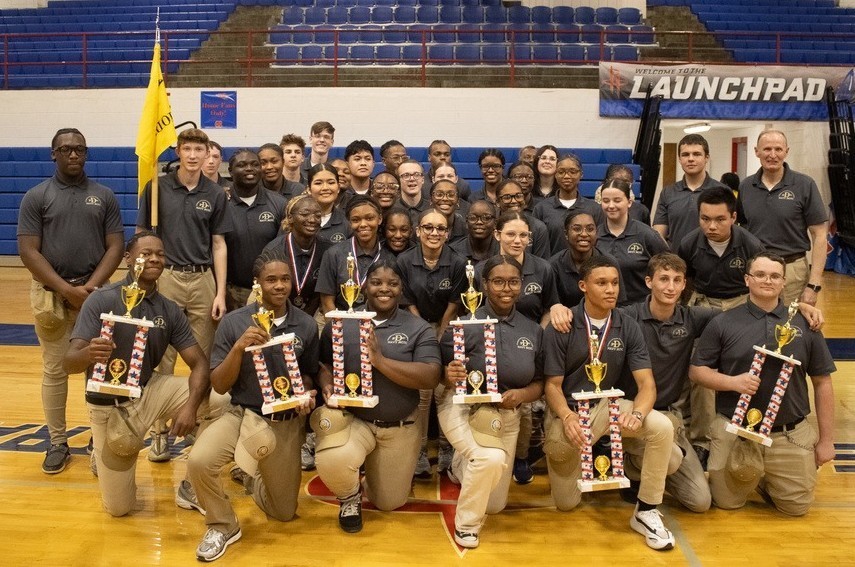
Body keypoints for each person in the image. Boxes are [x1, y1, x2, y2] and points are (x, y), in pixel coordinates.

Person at [63, 232, 210, 516]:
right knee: (119, 509)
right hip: (107, 405)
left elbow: (200, 364)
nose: (154, 258)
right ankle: (102, 452)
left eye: (160, 254)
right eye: (145, 253)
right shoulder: (100, 300)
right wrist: (88, 354)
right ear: (128, 259)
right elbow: (68, 363)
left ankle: (191, 487)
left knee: (219, 400)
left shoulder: (168, 310)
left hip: (148, 390)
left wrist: (190, 407)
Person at [187, 249, 319, 562]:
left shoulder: (305, 325)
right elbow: (219, 384)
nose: (279, 286)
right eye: (271, 279)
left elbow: (311, 375)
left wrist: (306, 395)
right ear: (257, 283)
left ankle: (252, 475)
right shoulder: (234, 324)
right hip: (243, 413)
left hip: (284, 420)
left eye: (285, 279)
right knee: (199, 461)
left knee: (283, 513)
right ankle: (222, 524)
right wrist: (238, 349)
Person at [542, 255, 677, 551]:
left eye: (614, 283)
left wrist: (639, 414)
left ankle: (646, 510)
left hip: (611, 408)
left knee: (662, 428)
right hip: (572, 414)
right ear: (583, 286)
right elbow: (551, 386)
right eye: (601, 283)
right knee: (566, 503)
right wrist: (566, 417)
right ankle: (592, 454)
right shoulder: (562, 325)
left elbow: (647, 385)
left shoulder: (628, 325)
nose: (611, 289)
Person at [689, 252, 836, 516]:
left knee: (796, 509)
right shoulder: (723, 322)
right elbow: (697, 372)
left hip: (789, 433)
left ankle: (767, 477)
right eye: (760, 274)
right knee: (726, 503)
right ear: (747, 280)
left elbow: (823, 382)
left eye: (774, 276)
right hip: (735, 428)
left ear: (783, 282)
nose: (767, 280)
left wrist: (826, 441)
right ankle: (754, 475)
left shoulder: (805, 324)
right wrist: (732, 382)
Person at [17, 127, 125, 473]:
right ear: (54, 154)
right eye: (66, 149)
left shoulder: (104, 195)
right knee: (56, 368)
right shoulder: (37, 196)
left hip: (96, 296)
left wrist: (90, 291)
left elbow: (116, 246)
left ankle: (98, 438)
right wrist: (66, 290)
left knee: (96, 368)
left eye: (79, 149)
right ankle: (58, 442)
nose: (73, 155)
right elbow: (28, 251)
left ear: (87, 153)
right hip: (51, 297)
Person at [314, 260, 441, 533]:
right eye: (377, 282)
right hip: (355, 420)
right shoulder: (341, 322)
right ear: (363, 287)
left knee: (388, 502)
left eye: (393, 284)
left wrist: (380, 361)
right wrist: (326, 384)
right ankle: (349, 495)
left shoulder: (417, 327)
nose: (385, 289)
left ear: (401, 289)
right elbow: (323, 364)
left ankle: (375, 471)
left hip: (399, 426)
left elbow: (431, 376)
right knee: (332, 458)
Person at [136, 127, 231, 460]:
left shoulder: (216, 193)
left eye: (199, 150)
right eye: (187, 149)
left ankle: (198, 427)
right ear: (177, 151)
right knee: (161, 358)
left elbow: (218, 244)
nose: (193, 155)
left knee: (202, 359)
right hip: (166, 278)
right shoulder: (157, 189)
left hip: (202, 279)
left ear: (208, 154)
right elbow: (141, 237)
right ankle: (159, 433)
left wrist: (220, 292)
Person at [438, 254, 544, 548]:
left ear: (522, 285)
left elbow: (540, 384)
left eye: (513, 281)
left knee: (495, 503)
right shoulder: (462, 324)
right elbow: (440, 374)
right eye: (498, 281)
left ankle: (459, 467)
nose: (506, 288)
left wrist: (522, 395)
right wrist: (450, 375)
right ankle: (468, 525)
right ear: (484, 284)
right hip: (461, 408)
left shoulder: (532, 330)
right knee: (490, 459)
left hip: (507, 416)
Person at [618, 254, 716, 513]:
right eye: (663, 279)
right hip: (630, 414)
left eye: (677, 280)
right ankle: (629, 465)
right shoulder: (627, 317)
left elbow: (740, 317)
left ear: (685, 285)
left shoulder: (692, 319)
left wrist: (802, 308)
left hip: (669, 417)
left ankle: (646, 470)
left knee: (700, 501)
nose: (670, 287)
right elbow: (588, 315)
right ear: (649, 281)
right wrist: (560, 309)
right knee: (669, 457)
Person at [736, 129, 829, 306]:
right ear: (757, 151)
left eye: (778, 149)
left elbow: (820, 235)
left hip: (792, 270)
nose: (772, 155)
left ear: (787, 151)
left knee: (790, 328)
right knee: (755, 327)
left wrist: (814, 284)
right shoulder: (746, 186)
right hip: (757, 270)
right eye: (767, 149)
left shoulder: (805, 185)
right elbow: (741, 229)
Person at [678, 186, 765, 310]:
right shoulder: (688, 244)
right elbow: (685, 279)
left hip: (740, 302)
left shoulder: (752, 245)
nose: (712, 226)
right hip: (704, 302)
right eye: (705, 219)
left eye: (720, 219)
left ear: (733, 217)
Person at [223, 149, 287, 312]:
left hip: (269, 291)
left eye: (255, 164)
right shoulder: (221, 202)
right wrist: (221, 290)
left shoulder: (279, 203)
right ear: (230, 171)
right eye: (242, 165)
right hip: (230, 291)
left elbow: (284, 249)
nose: (249, 169)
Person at [316, 195, 396, 314]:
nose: (363, 224)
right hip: (340, 320)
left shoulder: (390, 258)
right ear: (349, 222)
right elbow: (327, 303)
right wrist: (339, 330)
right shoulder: (333, 254)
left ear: (379, 219)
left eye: (369, 218)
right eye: (356, 220)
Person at [597, 178, 669, 305]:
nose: (611, 205)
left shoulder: (647, 235)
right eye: (606, 201)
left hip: (640, 310)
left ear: (629, 202)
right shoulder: (594, 236)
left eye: (617, 200)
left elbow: (669, 268)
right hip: (603, 309)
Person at [263, 194, 330, 319]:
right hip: (277, 310)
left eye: (317, 215)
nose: (312, 220)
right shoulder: (274, 251)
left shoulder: (328, 250)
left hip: (317, 312)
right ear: (290, 218)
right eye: (304, 214)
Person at [653, 134, 726, 248]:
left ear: (706, 157)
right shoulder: (668, 193)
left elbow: (729, 231)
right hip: (677, 262)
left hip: (712, 262)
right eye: (685, 154)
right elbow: (658, 236)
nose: (691, 159)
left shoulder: (722, 191)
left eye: (697, 154)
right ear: (680, 159)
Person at [552, 211, 626, 310]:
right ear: (566, 234)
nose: (584, 234)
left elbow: (619, 304)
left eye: (590, 229)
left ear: (596, 232)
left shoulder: (609, 262)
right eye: (577, 229)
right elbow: (553, 306)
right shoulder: (554, 264)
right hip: (566, 321)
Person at [533, 153, 604, 255]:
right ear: (555, 174)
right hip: (552, 268)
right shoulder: (541, 208)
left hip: (587, 267)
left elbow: (599, 244)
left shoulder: (594, 209)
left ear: (581, 174)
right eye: (561, 172)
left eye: (572, 172)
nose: (567, 176)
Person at [494, 179, 551, 259]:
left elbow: (541, 263)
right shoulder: (491, 225)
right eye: (507, 197)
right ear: (497, 203)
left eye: (518, 196)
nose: (514, 201)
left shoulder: (538, 228)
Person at [307, 163, 350, 246]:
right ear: (309, 189)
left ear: (338, 187)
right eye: (318, 183)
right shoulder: (297, 219)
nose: (325, 188)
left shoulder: (348, 221)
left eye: (331, 183)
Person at [428, 179, 467, 245]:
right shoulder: (422, 228)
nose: (445, 199)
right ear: (430, 200)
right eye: (439, 194)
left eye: (451, 195)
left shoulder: (466, 229)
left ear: (458, 201)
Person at [396, 159, 431, 225]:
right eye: (406, 175)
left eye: (416, 175)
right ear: (399, 180)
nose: (412, 179)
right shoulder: (391, 209)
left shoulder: (433, 209)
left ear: (422, 179)